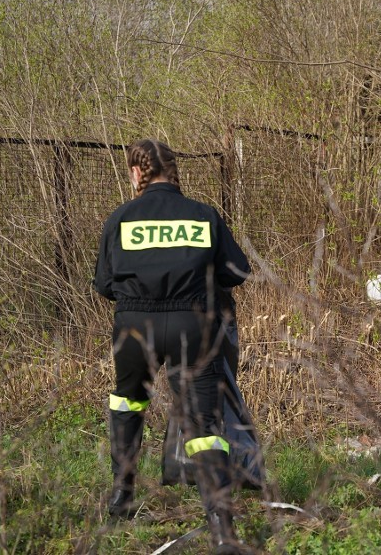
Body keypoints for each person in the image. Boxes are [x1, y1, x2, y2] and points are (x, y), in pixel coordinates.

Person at [93, 139, 251, 554]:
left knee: (128, 403)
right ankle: (221, 527)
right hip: (192, 326)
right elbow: (237, 272)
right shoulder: (203, 215)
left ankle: (121, 499)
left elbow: (104, 285)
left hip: (134, 326)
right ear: (175, 171)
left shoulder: (121, 218)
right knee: (204, 427)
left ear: (135, 173)